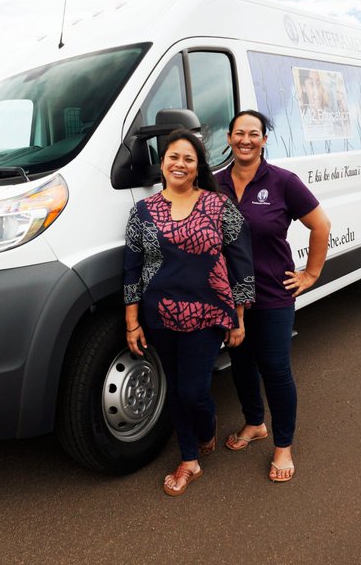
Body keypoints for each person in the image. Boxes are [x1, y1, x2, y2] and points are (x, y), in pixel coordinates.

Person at [123, 129, 255, 496]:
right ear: (162, 164)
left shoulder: (218, 205)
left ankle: (207, 426)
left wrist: (239, 317)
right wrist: (132, 322)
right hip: (159, 317)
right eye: (173, 157)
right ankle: (189, 460)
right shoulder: (142, 212)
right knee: (177, 391)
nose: (179, 164)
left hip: (208, 315)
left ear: (198, 167)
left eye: (188, 158)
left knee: (193, 392)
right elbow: (132, 268)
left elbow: (241, 262)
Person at [216, 109, 331, 483]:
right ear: (229, 138)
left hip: (274, 294)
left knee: (276, 370)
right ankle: (254, 424)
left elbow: (320, 225)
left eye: (253, 133)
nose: (245, 140)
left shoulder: (283, 181)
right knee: (242, 364)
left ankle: (283, 446)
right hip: (231, 299)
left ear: (264, 140)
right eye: (238, 133)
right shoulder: (214, 184)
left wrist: (311, 273)